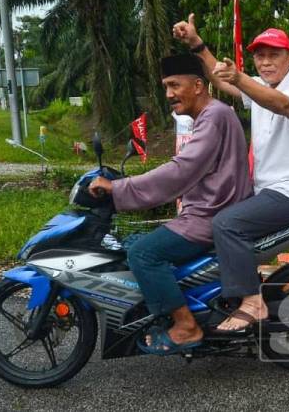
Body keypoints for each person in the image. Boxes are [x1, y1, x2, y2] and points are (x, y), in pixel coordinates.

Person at [88, 54, 253, 352]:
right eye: (166, 87)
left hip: (208, 216)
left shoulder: (215, 116)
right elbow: (187, 168)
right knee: (135, 242)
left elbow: (182, 170)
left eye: (174, 85)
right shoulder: (211, 116)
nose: (169, 95)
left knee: (142, 254)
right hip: (204, 211)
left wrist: (118, 187)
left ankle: (186, 326)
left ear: (199, 85)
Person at [173, 14, 289, 332]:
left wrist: (241, 78)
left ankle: (252, 303)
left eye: (274, 55)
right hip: (267, 190)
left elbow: (284, 105)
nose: (266, 62)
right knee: (212, 214)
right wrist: (198, 45)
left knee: (227, 224)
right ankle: (222, 297)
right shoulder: (260, 89)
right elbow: (223, 80)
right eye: (260, 55)